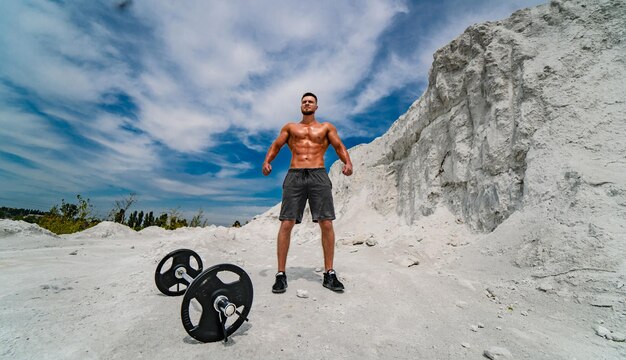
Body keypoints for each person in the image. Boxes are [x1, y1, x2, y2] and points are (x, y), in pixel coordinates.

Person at [262, 92, 353, 293]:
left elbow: (339, 146)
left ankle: (329, 273)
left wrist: (348, 162)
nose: (307, 103)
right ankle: (280, 274)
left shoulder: (326, 127)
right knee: (287, 222)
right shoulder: (290, 127)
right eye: (304, 101)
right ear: (300, 106)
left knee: (326, 222)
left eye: (310, 101)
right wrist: (267, 161)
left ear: (316, 107)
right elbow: (276, 145)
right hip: (294, 175)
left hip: (318, 174)